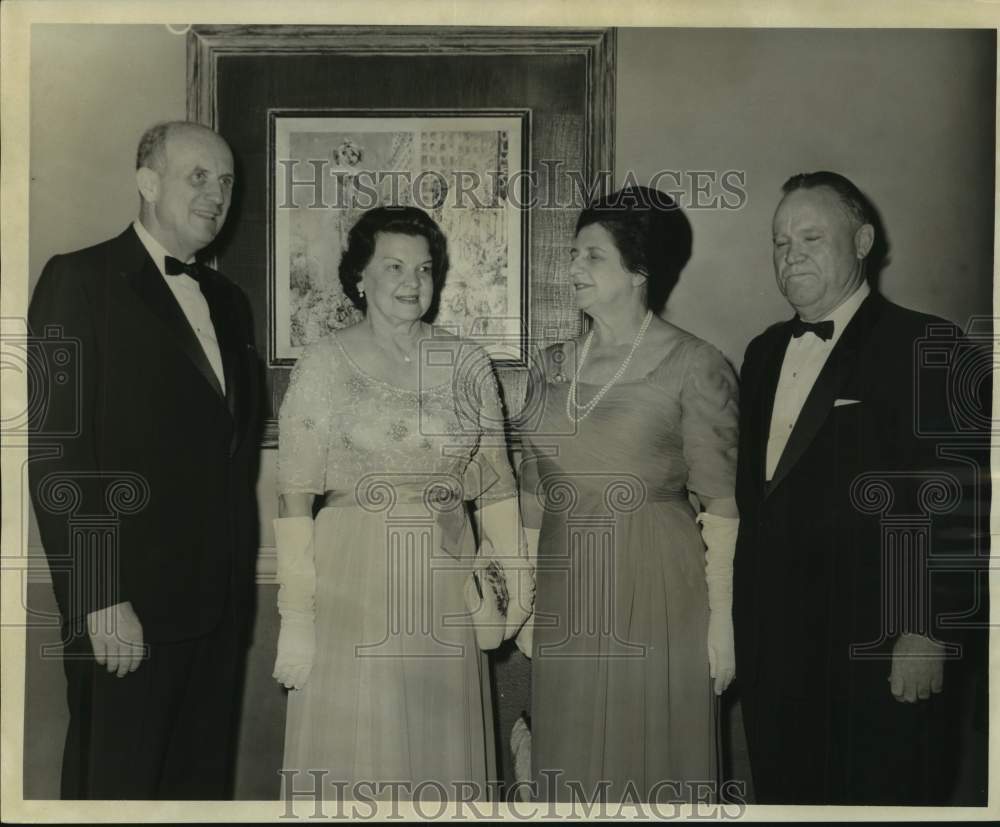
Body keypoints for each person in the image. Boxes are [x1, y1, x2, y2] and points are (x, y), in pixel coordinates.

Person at [733, 171, 983, 804]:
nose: (791, 255)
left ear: (863, 240)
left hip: (878, 648)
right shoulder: (762, 353)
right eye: (779, 242)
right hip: (775, 650)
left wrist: (926, 630)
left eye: (812, 237)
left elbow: (958, 506)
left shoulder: (929, 343)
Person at [27, 121, 261, 799]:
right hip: (124, 614)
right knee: (115, 793)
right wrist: (99, 596)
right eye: (199, 176)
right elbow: (58, 457)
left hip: (216, 613)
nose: (217, 193)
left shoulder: (230, 303)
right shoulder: (79, 279)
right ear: (147, 182)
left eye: (226, 181)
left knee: (196, 797)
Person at [274, 205, 530, 801]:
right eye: (393, 266)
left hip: (445, 578)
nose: (412, 282)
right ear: (359, 276)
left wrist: (515, 586)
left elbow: (495, 485)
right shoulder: (323, 363)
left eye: (424, 268)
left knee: (437, 748)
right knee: (360, 749)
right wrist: (296, 617)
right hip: (353, 579)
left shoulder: (468, 362)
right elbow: (293, 496)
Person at [518, 186, 740, 803]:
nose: (571, 269)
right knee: (571, 764)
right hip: (567, 589)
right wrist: (530, 600)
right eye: (572, 253)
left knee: (650, 768)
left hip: (657, 587)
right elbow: (535, 495)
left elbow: (721, 506)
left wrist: (721, 621)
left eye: (592, 256)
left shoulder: (696, 364)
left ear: (639, 271)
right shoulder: (548, 365)